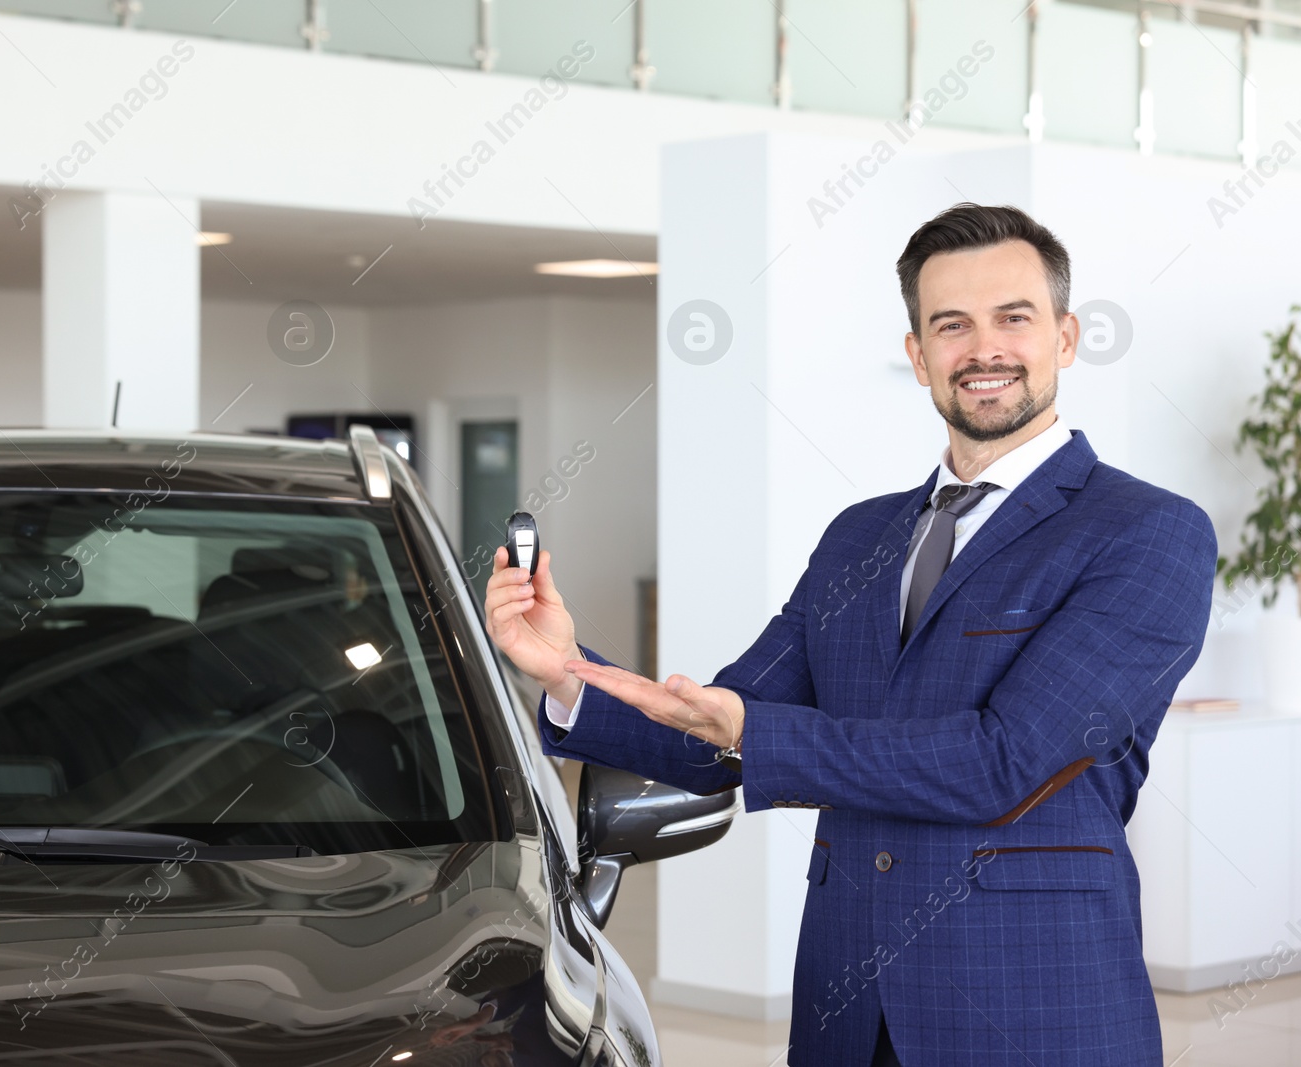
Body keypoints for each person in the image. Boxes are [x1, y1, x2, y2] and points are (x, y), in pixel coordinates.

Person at [484, 203, 1217, 1066]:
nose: (983, 349)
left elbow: (1002, 761)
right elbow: (719, 730)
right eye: (951, 325)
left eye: (1012, 318)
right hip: (848, 1005)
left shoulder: (1148, 532)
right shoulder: (858, 537)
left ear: (1065, 336)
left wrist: (751, 731)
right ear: (918, 356)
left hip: (1032, 1004)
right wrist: (564, 668)